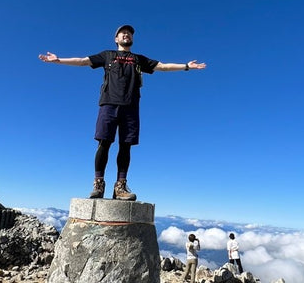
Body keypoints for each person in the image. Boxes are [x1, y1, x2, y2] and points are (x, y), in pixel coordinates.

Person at [38, 24, 206, 201]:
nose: (126, 35)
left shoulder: (138, 59)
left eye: (129, 33)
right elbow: (82, 61)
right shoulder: (107, 55)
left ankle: (120, 186)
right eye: (122, 33)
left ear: (132, 39)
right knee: (104, 142)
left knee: (125, 146)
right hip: (109, 103)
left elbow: (162, 66)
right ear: (116, 39)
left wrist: (186, 66)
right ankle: (98, 183)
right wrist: (58, 60)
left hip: (131, 106)